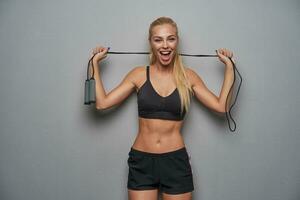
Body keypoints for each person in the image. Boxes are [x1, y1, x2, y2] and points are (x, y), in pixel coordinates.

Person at [90, 16, 234, 200]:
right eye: (158, 39)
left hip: (175, 162)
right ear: (151, 43)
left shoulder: (188, 77)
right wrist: (94, 64)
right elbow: (102, 103)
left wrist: (230, 68)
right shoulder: (139, 74)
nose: (165, 45)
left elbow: (222, 107)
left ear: (177, 41)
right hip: (142, 161)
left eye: (170, 38)